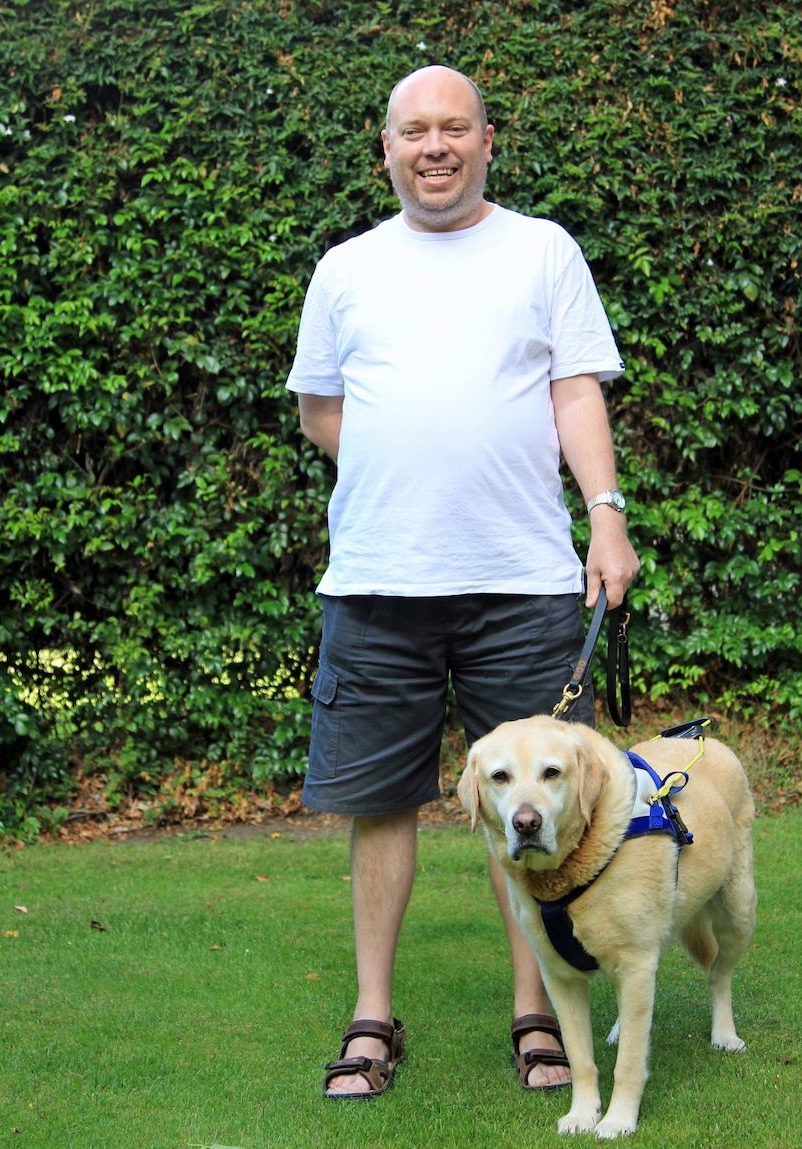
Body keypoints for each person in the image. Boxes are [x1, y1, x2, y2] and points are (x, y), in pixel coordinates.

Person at [286, 64, 639, 1098]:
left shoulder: (541, 250)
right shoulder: (345, 268)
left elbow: (576, 389)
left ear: (488, 141)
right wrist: (405, 475)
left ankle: (537, 1012)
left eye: (453, 128)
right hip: (379, 579)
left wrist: (605, 518)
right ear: (385, 148)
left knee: (530, 802)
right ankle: (371, 1016)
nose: (432, 146)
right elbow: (322, 409)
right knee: (381, 803)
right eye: (412, 131)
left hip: (523, 578)